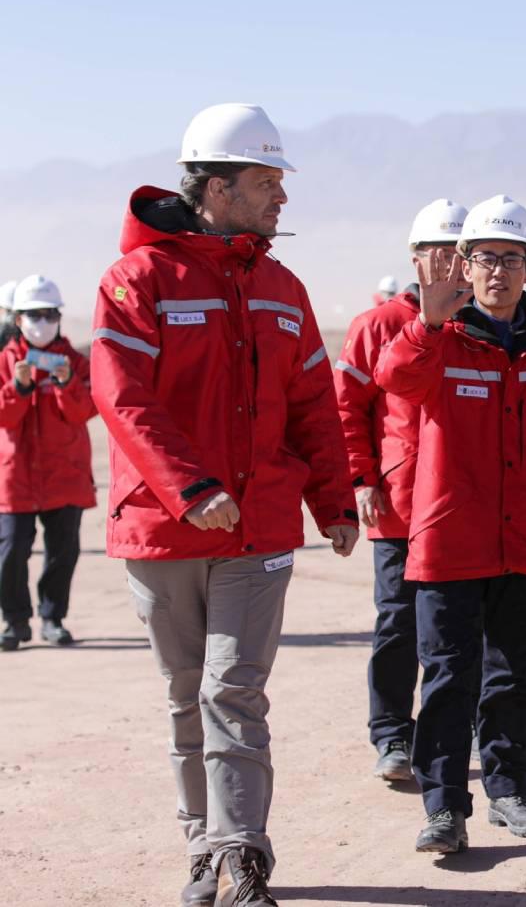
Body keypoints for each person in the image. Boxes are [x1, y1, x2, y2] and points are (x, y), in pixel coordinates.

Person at [90, 103, 358, 907]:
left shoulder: (282, 286)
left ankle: (242, 855)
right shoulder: (138, 280)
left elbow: (315, 400)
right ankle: (203, 851)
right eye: (265, 180)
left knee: (231, 690)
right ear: (214, 185)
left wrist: (333, 500)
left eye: (280, 179)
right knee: (185, 697)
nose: (281, 196)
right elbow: (121, 395)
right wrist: (191, 487)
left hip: (262, 527)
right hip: (163, 528)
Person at [374, 195, 526, 855]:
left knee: (512, 678)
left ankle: (507, 791)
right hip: (450, 540)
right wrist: (425, 323)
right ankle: (444, 807)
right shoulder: (439, 341)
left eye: (510, 258)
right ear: (464, 266)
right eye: (483, 258)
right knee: (447, 677)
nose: (496, 271)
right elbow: (393, 378)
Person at [335, 198, 468, 781]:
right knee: (396, 622)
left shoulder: (479, 322)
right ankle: (392, 735)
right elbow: (347, 411)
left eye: (457, 251)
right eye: (434, 251)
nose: (446, 262)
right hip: (398, 503)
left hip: (462, 504)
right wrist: (361, 478)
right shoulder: (377, 326)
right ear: (414, 258)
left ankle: (465, 731)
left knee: (464, 628)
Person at [0, 276, 96, 651]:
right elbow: (4, 418)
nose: (41, 322)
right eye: (33, 315)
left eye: (49, 314)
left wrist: (67, 383)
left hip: (65, 475)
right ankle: (15, 621)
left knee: (62, 553)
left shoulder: (75, 362)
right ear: (18, 319)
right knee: (9, 553)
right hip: (16, 476)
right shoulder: (5, 361)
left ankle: (53, 617)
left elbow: (85, 410)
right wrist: (19, 388)